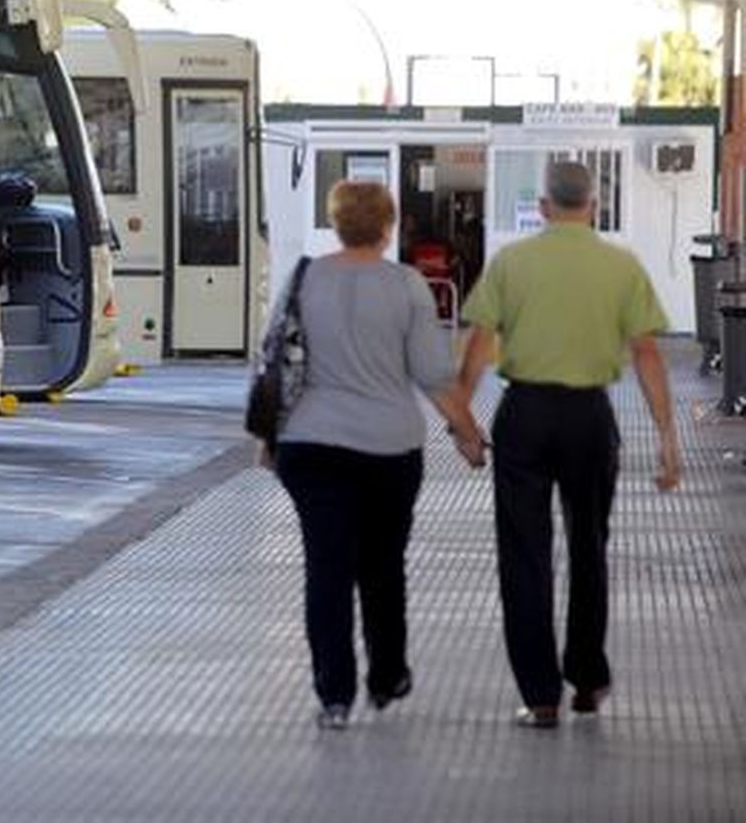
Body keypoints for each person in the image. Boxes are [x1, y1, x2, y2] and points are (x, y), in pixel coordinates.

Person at [457, 160, 681, 729]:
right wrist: (667, 436)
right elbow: (647, 353)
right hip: (589, 419)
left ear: (543, 207)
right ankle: (587, 677)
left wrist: (464, 424)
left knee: (523, 553)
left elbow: (480, 342)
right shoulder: (621, 265)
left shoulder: (512, 262)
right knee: (589, 545)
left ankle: (540, 695)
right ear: (594, 207)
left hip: (525, 415)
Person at [272, 180, 487, 730]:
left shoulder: (303, 278)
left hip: (310, 445)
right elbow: (434, 375)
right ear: (389, 227)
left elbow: (274, 361)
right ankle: (387, 675)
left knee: (326, 568)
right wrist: (466, 432)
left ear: (336, 223)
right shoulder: (406, 285)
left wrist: (265, 438)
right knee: (382, 565)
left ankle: (334, 696)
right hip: (388, 449)